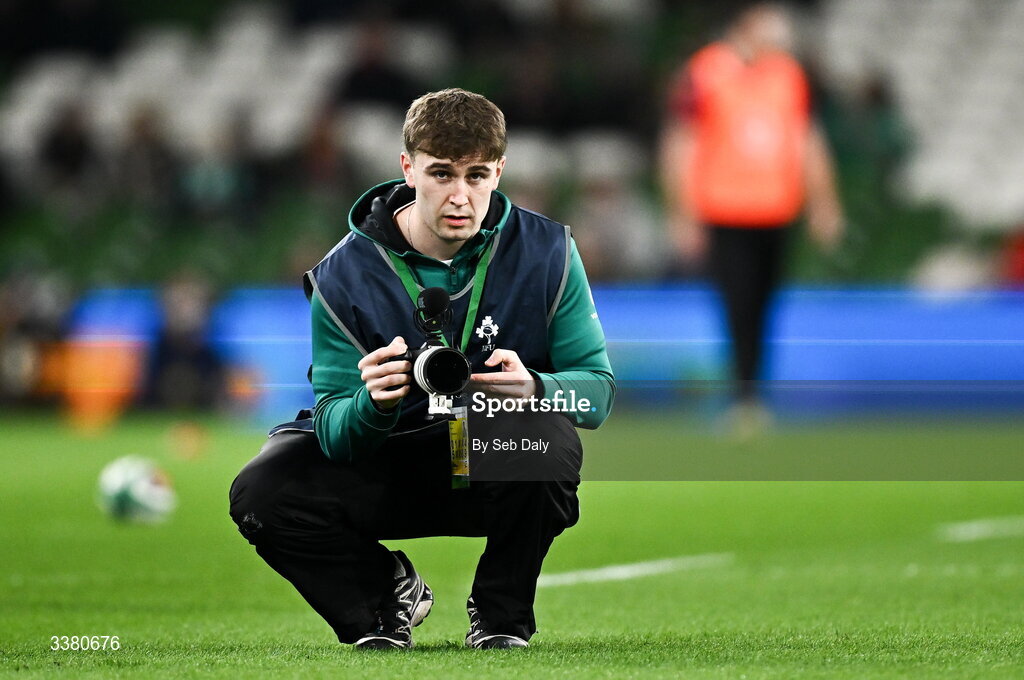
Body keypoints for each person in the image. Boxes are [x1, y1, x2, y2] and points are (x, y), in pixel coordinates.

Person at [229, 89, 614, 650]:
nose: (461, 196)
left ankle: (502, 613)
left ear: (500, 172)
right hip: (385, 461)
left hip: (484, 454)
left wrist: (535, 385)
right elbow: (333, 428)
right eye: (442, 174)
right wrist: (370, 404)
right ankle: (383, 597)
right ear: (407, 169)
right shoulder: (342, 276)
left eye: (477, 176)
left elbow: (596, 396)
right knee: (263, 491)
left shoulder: (548, 252)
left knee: (547, 438)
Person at [658, 3, 843, 432]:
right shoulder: (705, 72)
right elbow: (681, 143)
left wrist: (824, 202)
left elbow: (805, 139)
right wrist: (682, 213)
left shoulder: (788, 75)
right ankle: (744, 397)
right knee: (738, 304)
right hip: (725, 210)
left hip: (777, 210)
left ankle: (753, 394)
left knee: (764, 304)